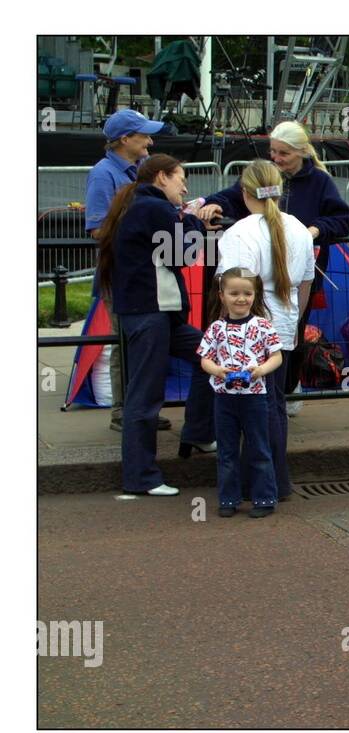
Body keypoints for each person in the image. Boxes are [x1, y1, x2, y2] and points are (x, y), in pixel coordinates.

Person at [196, 121, 349, 412]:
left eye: (283, 154)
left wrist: (315, 230)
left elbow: (342, 218)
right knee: (269, 341)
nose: (276, 159)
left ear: (302, 152)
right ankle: (268, 402)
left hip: (296, 275)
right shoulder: (264, 181)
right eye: (273, 152)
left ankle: (283, 391)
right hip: (280, 283)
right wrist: (212, 202)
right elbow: (236, 194)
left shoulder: (319, 182)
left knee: (289, 339)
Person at [95, 154, 216, 495]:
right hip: (152, 311)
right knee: (145, 397)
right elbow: (183, 255)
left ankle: (198, 433)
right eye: (181, 179)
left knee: (212, 357)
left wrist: (184, 218)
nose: (184, 187)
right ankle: (141, 478)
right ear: (162, 177)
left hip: (153, 312)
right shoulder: (154, 208)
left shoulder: (136, 204)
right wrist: (194, 222)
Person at [214, 160, 316, 501]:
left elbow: (235, 291)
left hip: (248, 331)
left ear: (244, 193)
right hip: (284, 324)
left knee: (251, 409)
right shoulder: (300, 229)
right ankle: (274, 480)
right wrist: (294, 324)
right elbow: (305, 284)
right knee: (272, 405)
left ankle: (260, 483)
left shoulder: (238, 233)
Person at [85, 108, 170, 434]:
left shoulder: (137, 171)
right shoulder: (104, 174)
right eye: (144, 135)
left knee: (143, 343)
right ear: (125, 139)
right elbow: (96, 228)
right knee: (125, 343)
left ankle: (141, 408)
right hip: (121, 275)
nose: (150, 140)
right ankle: (124, 411)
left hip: (143, 274)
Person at [198, 268, 284, 518]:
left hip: (255, 397)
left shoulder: (263, 326)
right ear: (222, 295)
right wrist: (217, 370)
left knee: (259, 447)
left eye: (247, 293)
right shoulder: (215, 328)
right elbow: (205, 359)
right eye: (234, 293)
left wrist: (260, 370)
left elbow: (276, 356)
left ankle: (265, 498)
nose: (241, 298)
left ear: (255, 295)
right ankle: (228, 499)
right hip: (224, 398)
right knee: (226, 450)